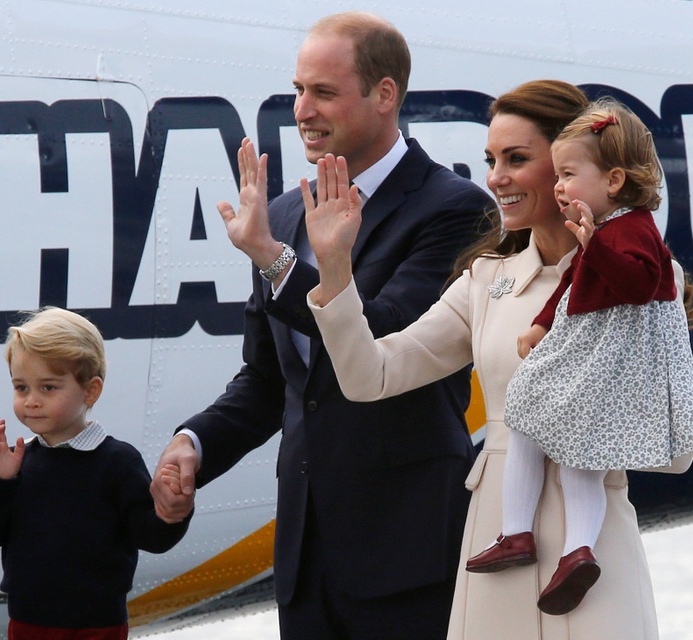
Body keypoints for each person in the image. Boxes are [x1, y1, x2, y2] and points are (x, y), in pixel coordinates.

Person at [304, 80, 693, 639]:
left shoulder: (651, 279)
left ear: (577, 166)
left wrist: (579, 429)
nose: (496, 178)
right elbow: (373, 376)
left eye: (518, 159)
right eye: (492, 160)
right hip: (496, 549)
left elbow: (676, 451)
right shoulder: (487, 280)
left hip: (594, 559)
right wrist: (335, 269)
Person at [149, 11, 489, 639]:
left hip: (407, 555)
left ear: (385, 95)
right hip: (306, 561)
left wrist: (274, 261)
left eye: (323, 92)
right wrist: (193, 447)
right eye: (298, 89)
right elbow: (268, 383)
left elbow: (384, 342)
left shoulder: (455, 209)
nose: (301, 109)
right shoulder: (281, 214)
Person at [465, 98, 693, 616]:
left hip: (609, 358)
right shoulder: (598, 234)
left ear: (614, 179)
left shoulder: (632, 228)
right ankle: (562, 549)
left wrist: (592, 245)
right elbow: (573, 285)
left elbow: (636, 285)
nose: (559, 187)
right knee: (567, 451)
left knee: (538, 424)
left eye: (568, 174)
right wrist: (542, 321)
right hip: (588, 347)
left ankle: (535, 539)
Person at [0, 307, 189, 640]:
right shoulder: (19, 464)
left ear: (91, 391)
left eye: (48, 388)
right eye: (21, 388)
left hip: (98, 626)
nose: (31, 401)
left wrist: (173, 513)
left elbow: (150, 537)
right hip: (27, 623)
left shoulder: (117, 463)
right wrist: (0, 480)